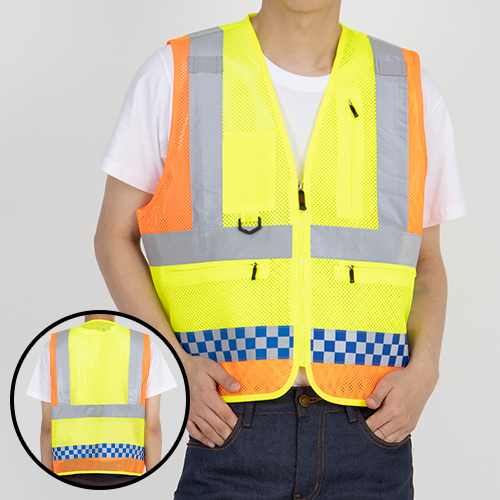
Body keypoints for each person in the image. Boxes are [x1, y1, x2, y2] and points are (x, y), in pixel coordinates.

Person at [94, 1, 466, 498]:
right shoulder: (179, 72)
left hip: (371, 429)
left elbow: (427, 262)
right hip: (228, 425)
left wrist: (426, 369)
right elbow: (113, 236)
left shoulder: (405, 85)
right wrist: (176, 364)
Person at [27, 314, 177, 486]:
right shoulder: (143, 345)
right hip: (126, 469)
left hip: (70, 468)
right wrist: (152, 482)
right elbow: (152, 428)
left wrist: (48, 483)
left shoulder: (55, 346)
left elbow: (47, 427)